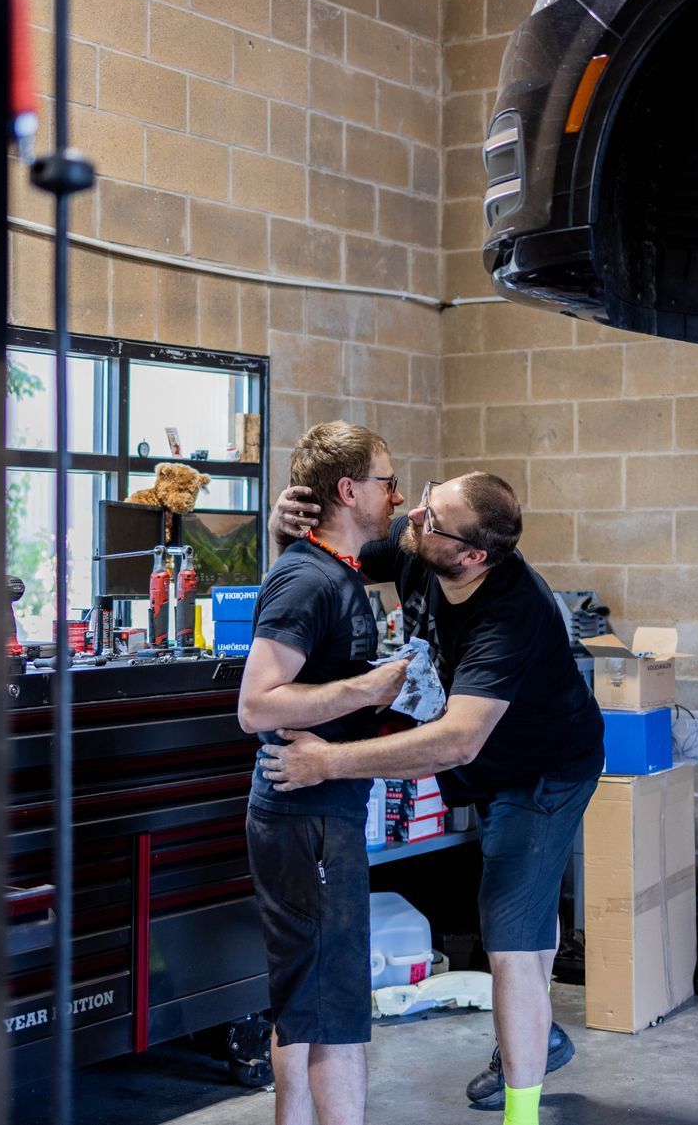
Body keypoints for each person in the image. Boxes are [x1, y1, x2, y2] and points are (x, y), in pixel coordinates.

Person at [259, 473, 605, 1125]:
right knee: (525, 928)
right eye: (421, 497)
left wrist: (328, 760)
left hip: (544, 772)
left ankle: (521, 1112)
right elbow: (339, 548)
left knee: (509, 940)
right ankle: (539, 1032)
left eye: (431, 516)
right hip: (495, 758)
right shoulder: (423, 544)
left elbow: (456, 742)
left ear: (472, 554)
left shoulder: (512, 612)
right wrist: (287, 528)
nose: (411, 513)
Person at [236, 422, 410, 1125]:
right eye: (386, 480)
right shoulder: (310, 577)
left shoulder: (336, 568)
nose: (395, 493)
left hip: (319, 812)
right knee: (331, 1008)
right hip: (306, 816)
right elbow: (256, 703)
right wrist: (366, 690)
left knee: (308, 1000)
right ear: (348, 489)